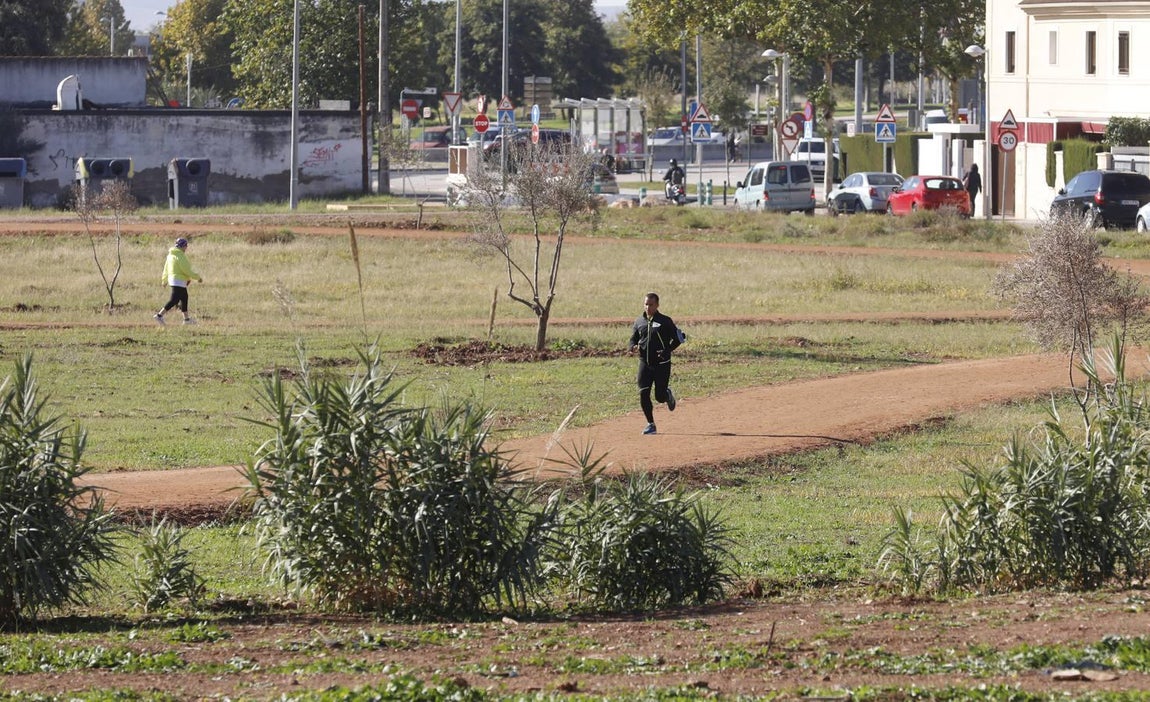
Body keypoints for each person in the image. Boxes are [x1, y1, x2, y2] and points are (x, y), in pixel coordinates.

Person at [628, 292, 683, 436]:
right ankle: (650, 424)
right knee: (643, 393)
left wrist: (667, 350)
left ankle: (667, 394)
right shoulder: (639, 321)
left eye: (651, 304)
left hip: (662, 364)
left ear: (657, 305)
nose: (648, 307)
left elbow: (679, 339)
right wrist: (632, 347)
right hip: (644, 364)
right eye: (646, 304)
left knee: (659, 397)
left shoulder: (665, 321)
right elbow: (633, 339)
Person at [154, 237, 203, 325]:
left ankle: (186, 320)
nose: (186, 248)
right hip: (178, 281)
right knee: (174, 300)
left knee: (184, 298)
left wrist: (164, 280)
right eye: (186, 246)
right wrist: (197, 277)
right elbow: (186, 269)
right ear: (182, 246)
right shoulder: (180, 255)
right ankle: (159, 315)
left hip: (174, 280)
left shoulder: (170, 255)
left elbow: (166, 268)